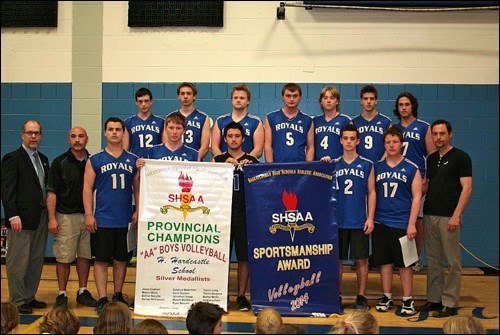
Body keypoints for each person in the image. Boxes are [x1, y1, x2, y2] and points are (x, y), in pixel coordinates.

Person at [83, 117, 140, 315]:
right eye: (111, 129)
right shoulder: (95, 159)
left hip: (124, 219)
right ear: (105, 133)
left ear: (124, 133)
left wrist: (137, 210)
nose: (114, 132)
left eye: (118, 129)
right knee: (100, 260)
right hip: (102, 218)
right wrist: (89, 214)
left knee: (121, 259)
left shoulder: (133, 160)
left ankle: (117, 294)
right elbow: (87, 188)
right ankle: (102, 298)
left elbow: (138, 189)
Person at [422, 119, 473, 318]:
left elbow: (467, 188)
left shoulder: (461, 158)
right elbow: (428, 185)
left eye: (442, 133)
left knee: (452, 262)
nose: (438, 137)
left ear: (450, 134)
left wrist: (456, 215)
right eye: (435, 134)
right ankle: (435, 299)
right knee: (433, 260)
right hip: (430, 214)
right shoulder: (432, 159)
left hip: (449, 217)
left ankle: (450, 302)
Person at [322, 124, 375, 310]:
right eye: (346, 138)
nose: (349, 142)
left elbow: (372, 192)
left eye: (353, 138)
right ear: (341, 140)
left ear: (358, 141)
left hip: (359, 220)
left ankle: (361, 296)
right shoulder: (333, 164)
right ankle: (336, 294)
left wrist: (370, 218)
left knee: (361, 260)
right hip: (338, 221)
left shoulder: (367, 164)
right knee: (337, 261)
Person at [46, 126, 98, 309]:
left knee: (84, 256)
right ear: (69, 139)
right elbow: (51, 193)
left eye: (81, 136)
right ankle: (62, 293)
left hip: (88, 217)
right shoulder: (59, 162)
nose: (77, 140)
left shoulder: (94, 161)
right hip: (66, 217)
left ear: (87, 139)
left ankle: (82, 291)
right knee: (64, 257)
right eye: (73, 136)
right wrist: (52, 218)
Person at [1, 120, 49, 315]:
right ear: (22, 135)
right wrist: (12, 215)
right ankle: (18, 299)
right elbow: (7, 189)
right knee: (18, 261)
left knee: (35, 260)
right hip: (20, 219)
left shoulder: (43, 158)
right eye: (29, 133)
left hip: (40, 217)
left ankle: (29, 296)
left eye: (36, 133)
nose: (33, 136)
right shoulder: (12, 158)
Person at [372, 127, 421, 316]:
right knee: (385, 262)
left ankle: (408, 299)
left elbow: (417, 197)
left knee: (405, 264)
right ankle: (387, 295)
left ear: (401, 144)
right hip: (381, 222)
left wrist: (411, 223)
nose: (392, 145)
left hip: (402, 222)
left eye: (395, 142)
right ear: (384, 144)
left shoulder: (411, 167)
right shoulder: (377, 167)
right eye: (388, 142)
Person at [213, 122, 259, 311]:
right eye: (230, 136)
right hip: (222, 214)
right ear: (225, 139)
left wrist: (250, 170)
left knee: (243, 258)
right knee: (220, 256)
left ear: (243, 138)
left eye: (237, 136)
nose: (233, 139)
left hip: (244, 215)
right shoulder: (218, 159)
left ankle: (241, 296)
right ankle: (221, 295)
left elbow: (260, 189)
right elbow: (208, 184)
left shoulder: (252, 162)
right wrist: (222, 167)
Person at [393, 92, 434, 272]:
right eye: (401, 104)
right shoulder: (394, 129)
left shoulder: (424, 127)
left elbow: (432, 156)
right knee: (398, 218)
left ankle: (415, 258)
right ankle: (398, 257)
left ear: (413, 106)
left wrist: (428, 180)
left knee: (417, 219)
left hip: (418, 179)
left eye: (407, 104)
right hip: (398, 179)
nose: (404, 107)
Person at [264, 83, 314, 162]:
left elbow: (310, 147)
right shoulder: (271, 117)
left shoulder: (307, 120)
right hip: (277, 167)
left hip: (300, 168)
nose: (291, 99)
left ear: (300, 97)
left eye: (295, 96)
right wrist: (271, 168)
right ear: (282, 97)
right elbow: (267, 146)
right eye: (288, 96)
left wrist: (307, 168)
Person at [212, 84, 264, 159]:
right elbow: (214, 147)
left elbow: (258, 149)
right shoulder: (220, 120)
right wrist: (225, 161)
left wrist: (242, 162)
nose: (238, 100)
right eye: (235, 98)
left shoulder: (256, 122)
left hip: (246, 166)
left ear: (248, 101)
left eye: (242, 98)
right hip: (225, 166)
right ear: (232, 100)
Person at [167, 82, 211, 161]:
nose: (185, 96)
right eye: (182, 94)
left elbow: (204, 147)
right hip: (174, 162)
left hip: (194, 163)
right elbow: (166, 142)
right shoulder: (170, 117)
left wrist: (192, 161)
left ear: (194, 96)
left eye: (188, 93)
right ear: (178, 97)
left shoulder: (203, 118)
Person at [352, 85, 392, 163]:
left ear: (376, 101)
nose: (369, 101)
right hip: (359, 166)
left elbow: (391, 145)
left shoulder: (386, 122)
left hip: (381, 165)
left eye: (372, 99)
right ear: (361, 101)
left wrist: (382, 162)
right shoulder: (353, 122)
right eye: (365, 98)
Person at [123, 87, 165, 158]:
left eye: (146, 101)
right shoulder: (128, 123)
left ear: (151, 102)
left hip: (155, 163)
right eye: (140, 101)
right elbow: (125, 149)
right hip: (136, 162)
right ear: (136, 102)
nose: (143, 104)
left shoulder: (161, 122)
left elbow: (165, 147)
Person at [313, 86, 351, 161]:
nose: (328, 101)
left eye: (332, 98)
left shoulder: (345, 120)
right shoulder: (315, 121)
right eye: (325, 98)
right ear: (321, 101)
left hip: (338, 165)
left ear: (337, 101)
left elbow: (351, 146)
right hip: (318, 165)